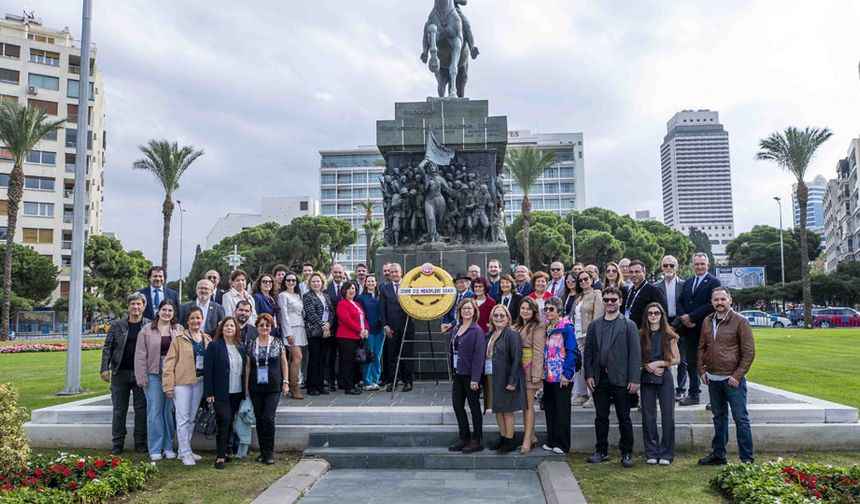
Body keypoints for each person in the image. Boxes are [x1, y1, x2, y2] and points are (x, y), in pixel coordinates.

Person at [697, 288, 756, 465]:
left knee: (741, 419)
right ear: (712, 301)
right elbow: (701, 347)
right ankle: (719, 454)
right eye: (716, 299)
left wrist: (737, 375)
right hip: (713, 380)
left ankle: (746, 459)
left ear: (730, 300)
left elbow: (749, 352)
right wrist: (702, 370)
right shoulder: (707, 321)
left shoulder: (740, 321)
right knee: (719, 418)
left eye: (723, 299)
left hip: (732, 380)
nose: (719, 302)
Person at [584, 286, 640, 468]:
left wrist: (634, 379)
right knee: (601, 417)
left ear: (620, 301)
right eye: (606, 300)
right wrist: (589, 374)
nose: (609, 303)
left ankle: (627, 453)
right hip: (600, 378)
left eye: (613, 300)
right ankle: (601, 451)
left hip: (621, 379)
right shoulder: (595, 325)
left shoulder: (629, 325)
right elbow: (589, 353)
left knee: (624, 417)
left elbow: (635, 354)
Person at [100, 292, 149, 455]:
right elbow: (108, 347)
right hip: (120, 372)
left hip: (141, 373)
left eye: (139, 304)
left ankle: (140, 442)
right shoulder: (117, 325)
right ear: (128, 306)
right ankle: (117, 442)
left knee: (141, 409)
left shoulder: (148, 325)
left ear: (143, 306)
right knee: (119, 409)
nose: (135, 307)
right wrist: (104, 368)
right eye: (132, 304)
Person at [162, 306, 211, 466]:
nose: (195, 321)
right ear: (187, 321)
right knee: (182, 418)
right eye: (192, 318)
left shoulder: (207, 339)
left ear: (201, 319)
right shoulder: (179, 339)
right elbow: (168, 364)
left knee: (191, 418)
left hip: (199, 382)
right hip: (182, 383)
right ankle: (185, 453)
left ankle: (185, 450)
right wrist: (168, 386)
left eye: (198, 318)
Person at [134, 299, 182, 462]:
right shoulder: (146, 330)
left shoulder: (179, 329)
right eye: (164, 310)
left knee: (168, 411)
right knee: (154, 411)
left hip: (172, 374)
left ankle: (168, 446)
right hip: (153, 373)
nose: (167, 313)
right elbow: (140, 356)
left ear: (173, 313)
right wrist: (142, 377)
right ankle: (155, 448)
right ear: (158, 311)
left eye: (170, 310)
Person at [243, 313, 288, 465]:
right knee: (260, 419)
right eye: (261, 325)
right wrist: (246, 387)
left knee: (269, 418)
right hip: (256, 386)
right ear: (257, 327)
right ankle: (262, 452)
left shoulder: (277, 342)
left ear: (271, 327)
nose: (264, 328)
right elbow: (248, 366)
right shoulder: (251, 344)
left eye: (267, 325)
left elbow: (284, 363)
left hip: (273, 387)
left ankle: (270, 452)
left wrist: (286, 382)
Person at [639, 302, 680, 465]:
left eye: (657, 313)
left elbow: (677, 359)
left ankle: (666, 453)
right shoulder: (640, 334)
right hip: (647, 377)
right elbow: (636, 358)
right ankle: (651, 451)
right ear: (646, 316)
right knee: (648, 415)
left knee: (668, 415)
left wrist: (660, 364)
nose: (653, 316)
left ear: (662, 315)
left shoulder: (669, 334)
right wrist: (649, 367)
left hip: (665, 377)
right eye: (650, 313)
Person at [677, 253, 721, 406]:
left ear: (707, 265)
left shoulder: (714, 282)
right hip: (689, 330)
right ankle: (694, 394)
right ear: (692, 265)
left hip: (706, 329)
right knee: (691, 363)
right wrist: (683, 316)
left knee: (710, 364)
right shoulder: (688, 282)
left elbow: (712, 304)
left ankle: (715, 399)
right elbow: (680, 301)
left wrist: (692, 317)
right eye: (697, 264)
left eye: (702, 264)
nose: (699, 267)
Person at [204, 316, 246, 469]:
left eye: (232, 326)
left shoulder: (240, 346)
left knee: (228, 422)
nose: (229, 328)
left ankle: (225, 451)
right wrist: (209, 392)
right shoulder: (214, 346)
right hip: (220, 392)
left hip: (237, 391)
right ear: (221, 329)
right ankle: (220, 456)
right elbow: (208, 371)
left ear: (236, 329)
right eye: (226, 326)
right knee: (225, 421)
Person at [484, 305, 525, 454]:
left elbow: (516, 359)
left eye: (502, 315)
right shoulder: (489, 334)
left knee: (507, 410)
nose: (498, 318)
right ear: (491, 318)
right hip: (491, 376)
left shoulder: (512, 334)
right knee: (497, 409)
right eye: (496, 315)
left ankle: (510, 439)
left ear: (508, 318)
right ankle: (502, 437)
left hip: (506, 377)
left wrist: (512, 380)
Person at [447, 298, 486, 454]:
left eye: (470, 308)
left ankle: (477, 440)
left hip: (471, 376)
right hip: (458, 373)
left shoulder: (477, 330)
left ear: (474, 311)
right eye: (464, 308)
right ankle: (464, 437)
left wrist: (475, 379)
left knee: (474, 407)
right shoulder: (456, 328)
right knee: (457, 406)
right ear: (460, 311)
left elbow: (479, 356)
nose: (467, 311)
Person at [541, 296, 578, 454]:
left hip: (562, 376)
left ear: (559, 310)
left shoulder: (566, 327)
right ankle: (551, 440)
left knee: (562, 410)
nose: (548, 312)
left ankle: (562, 444)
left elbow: (572, 350)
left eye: (551, 309)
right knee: (550, 408)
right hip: (549, 376)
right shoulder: (547, 327)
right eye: (546, 309)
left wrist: (567, 374)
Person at [513, 297, 545, 453]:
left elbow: (539, 351)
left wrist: (536, 373)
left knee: (529, 405)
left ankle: (528, 439)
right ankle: (531, 436)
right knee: (524, 405)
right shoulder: (517, 325)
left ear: (534, 311)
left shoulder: (538, 327)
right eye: (522, 308)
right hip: (518, 369)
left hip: (531, 368)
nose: (525, 311)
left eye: (528, 309)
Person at [653, 255, 686, 401]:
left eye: (671, 265)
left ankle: (681, 389)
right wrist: (666, 325)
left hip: (681, 324)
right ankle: (662, 388)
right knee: (663, 357)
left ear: (676, 267)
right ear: (661, 267)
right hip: (662, 324)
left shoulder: (684, 285)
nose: (668, 268)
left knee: (682, 360)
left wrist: (675, 325)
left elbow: (685, 306)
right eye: (665, 265)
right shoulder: (656, 286)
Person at [380, 263, 415, 392]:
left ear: (402, 272)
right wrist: (385, 326)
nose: (394, 274)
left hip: (407, 326)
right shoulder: (385, 289)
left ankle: (408, 382)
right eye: (392, 272)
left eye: (396, 272)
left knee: (407, 355)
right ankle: (393, 381)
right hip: (391, 328)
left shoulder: (409, 286)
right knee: (391, 356)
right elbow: (382, 309)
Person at [571, 270, 604, 407]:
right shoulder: (578, 298)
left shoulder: (596, 295)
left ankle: (593, 395)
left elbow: (598, 316)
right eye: (580, 280)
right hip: (577, 335)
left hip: (590, 335)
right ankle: (582, 394)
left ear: (592, 280)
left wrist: (594, 335)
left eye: (586, 279)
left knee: (590, 365)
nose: (583, 282)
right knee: (580, 365)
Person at [302, 272, 334, 396]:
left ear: (322, 283)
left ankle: (321, 385)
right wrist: (323, 325)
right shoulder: (307, 296)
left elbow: (331, 311)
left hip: (326, 332)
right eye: (314, 281)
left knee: (323, 359)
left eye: (318, 281)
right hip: (314, 332)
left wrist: (328, 325)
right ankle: (312, 386)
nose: (316, 283)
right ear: (310, 283)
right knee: (314, 359)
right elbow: (311, 314)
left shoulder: (326, 296)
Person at [335, 281, 368, 395]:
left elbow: (364, 318)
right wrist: (360, 330)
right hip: (346, 337)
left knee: (355, 363)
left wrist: (366, 330)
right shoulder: (342, 303)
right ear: (344, 291)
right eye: (349, 288)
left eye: (353, 288)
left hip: (358, 337)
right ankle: (348, 387)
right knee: (347, 363)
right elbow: (346, 320)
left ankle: (353, 384)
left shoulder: (356, 304)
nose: (351, 290)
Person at [278, 271, 305, 400]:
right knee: (297, 357)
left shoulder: (297, 295)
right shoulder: (282, 295)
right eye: (288, 280)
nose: (291, 282)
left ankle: (290, 384)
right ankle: (295, 386)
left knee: (295, 359)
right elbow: (284, 315)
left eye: (293, 280)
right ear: (285, 282)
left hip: (300, 328)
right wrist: (288, 333)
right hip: (290, 330)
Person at [623, 260, 668, 329]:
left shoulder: (654, 290)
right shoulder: (630, 291)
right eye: (631, 272)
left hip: (646, 332)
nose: (634, 275)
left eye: (637, 272)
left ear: (644, 273)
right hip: (630, 330)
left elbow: (663, 313)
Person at [358, 274, 385, 390]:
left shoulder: (380, 296)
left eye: (372, 281)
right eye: (368, 281)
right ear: (365, 283)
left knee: (378, 356)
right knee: (369, 355)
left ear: (376, 283)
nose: (370, 283)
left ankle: (375, 380)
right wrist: (363, 328)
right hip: (368, 330)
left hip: (380, 330)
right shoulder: (361, 297)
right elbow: (360, 315)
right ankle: (367, 382)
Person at [324, 264, 347, 391]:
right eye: (336, 272)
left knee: (344, 356)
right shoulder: (326, 288)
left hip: (345, 328)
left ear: (343, 274)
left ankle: (342, 381)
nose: (338, 275)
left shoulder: (348, 287)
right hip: (332, 327)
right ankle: (331, 381)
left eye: (340, 272)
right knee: (330, 355)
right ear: (332, 273)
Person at [252, 273, 281, 338]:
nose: (267, 283)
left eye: (270, 282)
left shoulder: (273, 298)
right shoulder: (257, 297)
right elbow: (255, 316)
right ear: (259, 284)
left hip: (274, 329)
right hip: (264, 330)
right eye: (264, 282)